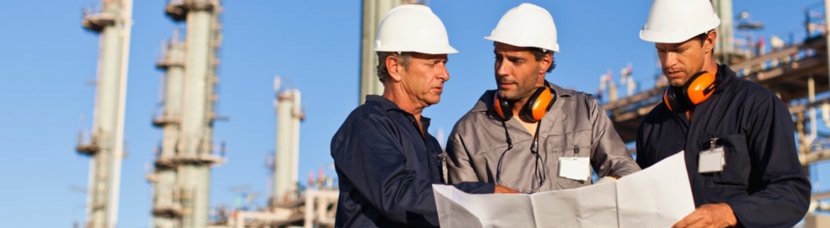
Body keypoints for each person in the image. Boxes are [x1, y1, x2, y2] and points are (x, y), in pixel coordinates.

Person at [635, 0, 811, 227]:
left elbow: (791, 193)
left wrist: (730, 213)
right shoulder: (653, 126)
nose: (669, 62)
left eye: (678, 50)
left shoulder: (756, 106)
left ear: (709, 41)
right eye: (661, 51)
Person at [330, 4, 503, 228]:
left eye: (444, 63)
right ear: (395, 67)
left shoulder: (428, 142)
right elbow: (396, 195)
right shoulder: (366, 125)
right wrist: (486, 194)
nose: (445, 75)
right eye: (433, 64)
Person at [446, 3, 640, 194]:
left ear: (544, 62)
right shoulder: (467, 133)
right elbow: (462, 212)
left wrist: (602, 190)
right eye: (498, 58)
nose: (502, 70)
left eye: (515, 60)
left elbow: (627, 170)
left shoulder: (584, 111)